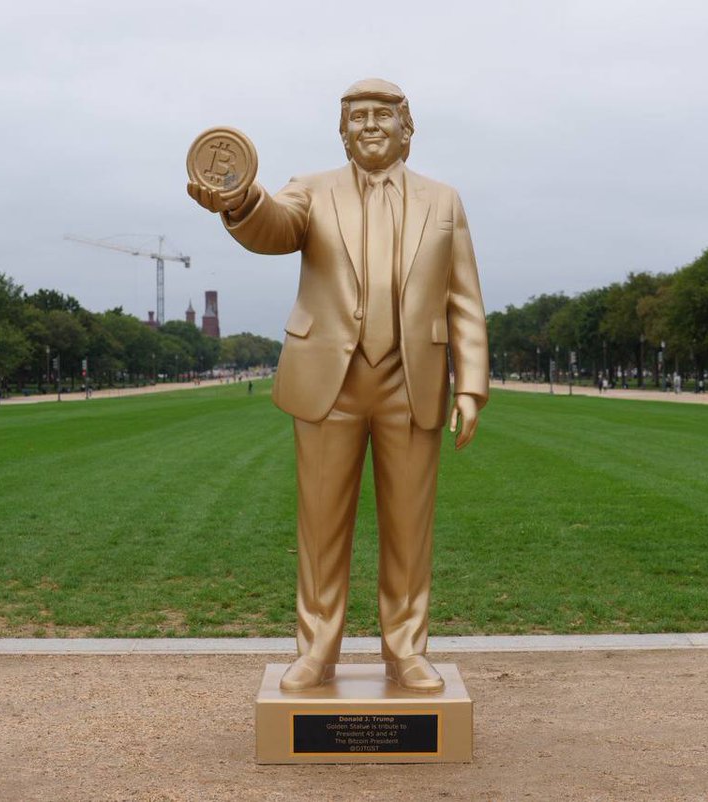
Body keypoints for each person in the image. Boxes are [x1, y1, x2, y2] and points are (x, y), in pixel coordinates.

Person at [187, 78, 488, 693]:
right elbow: (273, 227)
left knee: (410, 531)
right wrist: (240, 199)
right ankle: (316, 652)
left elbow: (464, 298)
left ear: (407, 127)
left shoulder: (445, 201)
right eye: (357, 116)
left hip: (413, 381)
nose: (370, 124)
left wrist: (471, 385)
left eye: (383, 114)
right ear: (342, 132)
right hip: (330, 383)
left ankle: (406, 651)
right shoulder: (311, 190)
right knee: (321, 531)